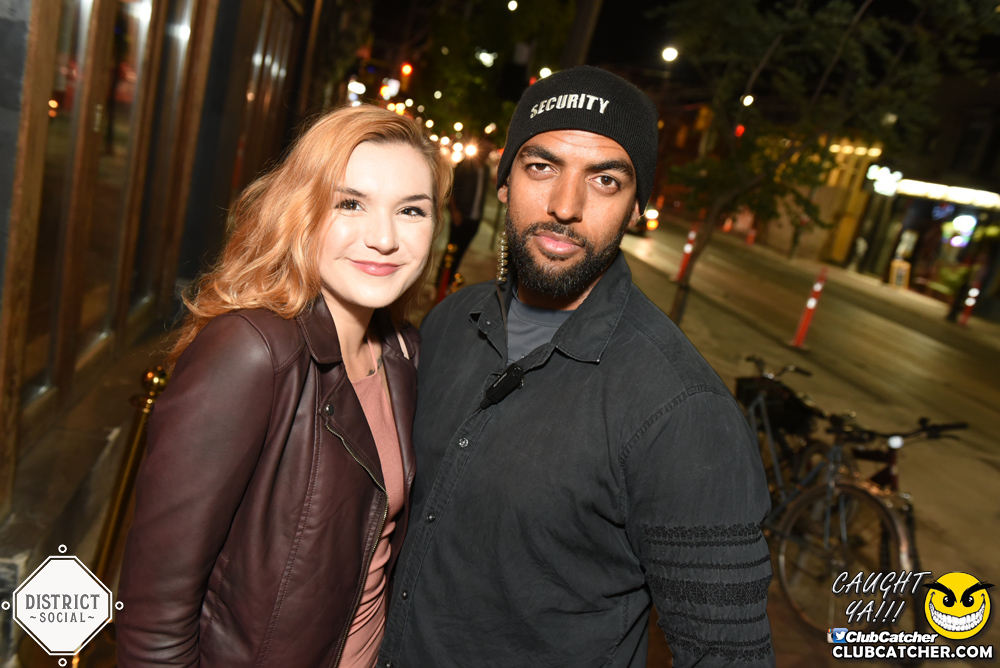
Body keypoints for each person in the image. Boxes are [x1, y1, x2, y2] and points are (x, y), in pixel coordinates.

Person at [378, 67, 775, 668]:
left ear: (636, 208)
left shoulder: (685, 415)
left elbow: (730, 656)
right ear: (505, 182)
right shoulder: (449, 324)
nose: (565, 206)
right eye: (542, 166)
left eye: (605, 180)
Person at [116, 105, 451, 668]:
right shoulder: (251, 352)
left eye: (411, 210)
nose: (384, 238)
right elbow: (153, 624)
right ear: (302, 211)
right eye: (350, 204)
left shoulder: (402, 352)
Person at [437, 141, 494, 286]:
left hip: (475, 218)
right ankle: (440, 284)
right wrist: (455, 211)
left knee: (461, 252)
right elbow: (452, 189)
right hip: (461, 215)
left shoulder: (486, 169)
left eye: (489, 149)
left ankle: (449, 283)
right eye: (486, 148)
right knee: (451, 250)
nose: (487, 152)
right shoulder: (465, 165)